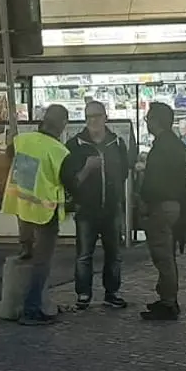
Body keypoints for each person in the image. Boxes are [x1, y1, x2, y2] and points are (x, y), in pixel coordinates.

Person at [2, 104, 71, 326]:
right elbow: (70, 181)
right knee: (42, 263)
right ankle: (31, 309)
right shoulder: (59, 151)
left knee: (29, 254)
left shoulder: (22, 141)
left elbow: (8, 156)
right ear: (62, 125)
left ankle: (25, 250)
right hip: (45, 212)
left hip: (22, 206)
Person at [63, 101, 131, 310]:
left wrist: (115, 193)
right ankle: (83, 294)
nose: (93, 120)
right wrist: (87, 169)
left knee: (114, 254)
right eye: (89, 117)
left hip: (111, 208)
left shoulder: (117, 143)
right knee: (84, 254)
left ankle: (112, 292)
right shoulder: (75, 145)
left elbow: (124, 172)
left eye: (97, 116)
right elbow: (70, 180)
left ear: (105, 117)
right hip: (86, 209)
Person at [140, 102, 186, 320]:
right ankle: (167, 298)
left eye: (148, 118)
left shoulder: (161, 148)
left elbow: (154, 182)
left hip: (160, 206)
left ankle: (168, 301)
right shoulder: (177, 145)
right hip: (174, 205)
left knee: (163, 255)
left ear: (156, 121)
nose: (146, 122)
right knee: (167, 254)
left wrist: (143, 200)